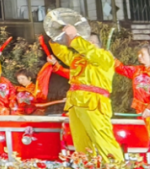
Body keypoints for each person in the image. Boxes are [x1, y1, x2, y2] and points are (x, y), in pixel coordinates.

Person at [48, 27, 123, 161]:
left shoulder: (105, 57)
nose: (83, 44)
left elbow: (90, 51)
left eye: (88, 41)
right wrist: (56, 37)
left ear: (94, 44)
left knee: (102, 139)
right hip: (75, 103)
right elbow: (63, 53)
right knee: (80, 142)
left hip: (94, 102)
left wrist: (74, 36)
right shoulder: (78, 59)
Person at [115, 43, 150, 137]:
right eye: (138, 54)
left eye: (142, 54)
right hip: (140, 111)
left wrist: (149, 109)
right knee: (142, 136)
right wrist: (110, 59)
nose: (139, 56)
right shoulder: (137, 70)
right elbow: (122, 68)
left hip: (148, 111)